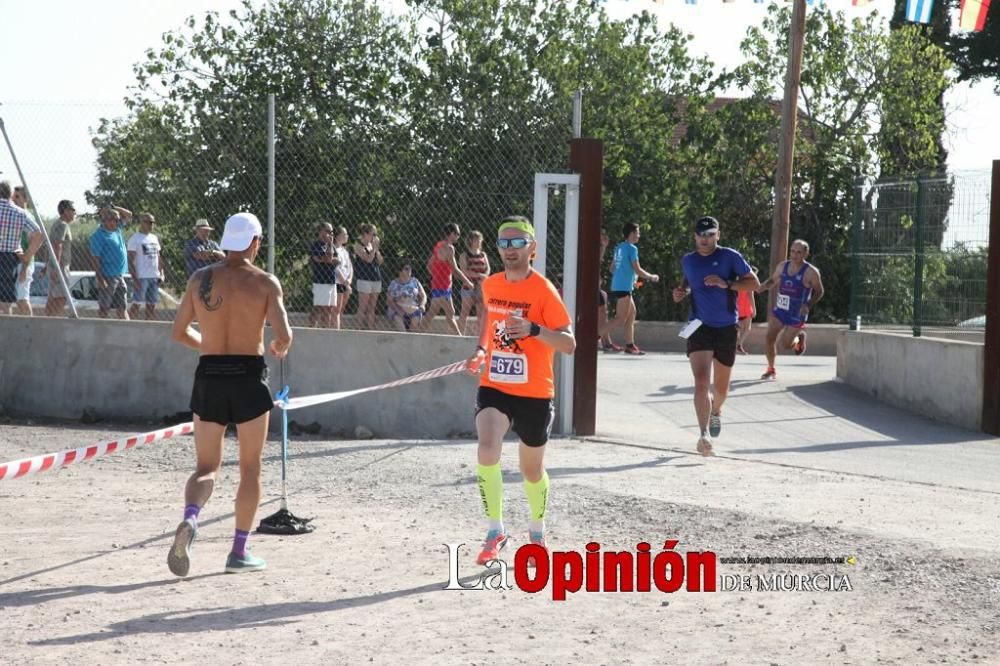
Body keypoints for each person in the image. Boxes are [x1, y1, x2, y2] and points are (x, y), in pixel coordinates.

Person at [168, 212, 293, 576]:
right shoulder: (265, 282)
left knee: (206, 468)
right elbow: (284, 334)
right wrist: (279, 347)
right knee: (250, 468)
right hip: (248, 378)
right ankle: (239, 551)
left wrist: (206, 344)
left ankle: (191, 518)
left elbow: (178, 332)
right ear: (255, 242)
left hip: (209, 375)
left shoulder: (199, 278)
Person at [465, 215, 576, 566]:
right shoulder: (491, 284)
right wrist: (482, 351)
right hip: (496, 384)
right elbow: (489, 318)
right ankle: (495, 530)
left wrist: (532, 329)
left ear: (532, 248)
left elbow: (569, 343)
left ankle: (537, 531)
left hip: (535, 392)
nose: (510, 250)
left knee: (531, 470)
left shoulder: (543, 290)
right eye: (504, 244)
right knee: (487, 446)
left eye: (517, 243)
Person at [672, 216, 759, 456]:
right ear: (695, 237)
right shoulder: (688, 260)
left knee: (720, 390)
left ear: (718, 235)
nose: (705, 239)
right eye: (701, 235)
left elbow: (753, 283)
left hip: (726, 328)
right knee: (701, 381)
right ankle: (703, 434)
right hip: (699, 326)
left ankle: (716, 411)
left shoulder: (730, 257)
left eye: (710, 234)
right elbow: (688, 282)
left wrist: (726, 283)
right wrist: (682, 292)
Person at [757, 239, 825, 380]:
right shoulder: (783, 266)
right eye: (792, 251)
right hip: (781, 309)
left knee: (785, 345)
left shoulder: (811, 272)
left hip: (797, 312)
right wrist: (762, 287)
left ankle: (798, 339)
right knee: (769, 337)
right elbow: (773, 280)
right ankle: (771, 369)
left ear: (805, 254)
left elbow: (819, 291)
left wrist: (808, 305)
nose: (794, 255)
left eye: (798, 252)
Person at [600, 222, 659, 355]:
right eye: (637, 232)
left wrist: (627, 277)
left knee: (631, 315)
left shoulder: (619, 247)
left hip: (619, 285)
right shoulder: (632, 249)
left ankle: (630, 345)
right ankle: (594, 335)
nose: (639, 235)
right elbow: (637, 268)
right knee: (620, 318)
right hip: (624, 287)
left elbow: (612, 268)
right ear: (631, 234)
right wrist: (651, 277)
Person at [0, 181, 43, 315]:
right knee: (6, 299)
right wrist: (26, 257)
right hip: (10, 258)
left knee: (18, 299)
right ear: (10, 194)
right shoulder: (20, 213)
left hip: (16, 261)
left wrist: (25, 263)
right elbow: (39, 234)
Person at [424, 223, 474, 335]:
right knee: (448, 314)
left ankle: (416, 334)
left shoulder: (438, 245)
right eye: (457, 234)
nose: (458, 236)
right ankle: (459, 337)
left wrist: (437, 275)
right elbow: (455, 269)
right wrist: (468, 282)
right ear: (451, 234)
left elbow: (429, 265)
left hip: (440, 285)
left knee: (442, 313)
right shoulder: (449, 248)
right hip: (443, 286)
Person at [89, 205, 133, 319]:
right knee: (104, 308)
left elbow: (129, 215)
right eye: (114, 220)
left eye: (118, 220)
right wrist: (100, 278)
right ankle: (101, 332)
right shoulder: (99, 235)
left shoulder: (117, 230)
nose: (117, 222)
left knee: (122, 307)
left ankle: (126, 331)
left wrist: (114, 207)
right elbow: (95, 258)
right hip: (107, 276)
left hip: (119, 275)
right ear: (106, 221)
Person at [127, 213, 164, 320]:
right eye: (148, 222)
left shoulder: (154, 238)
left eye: (152, 222)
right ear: (141, 223)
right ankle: (129, 326)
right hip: (141, 276)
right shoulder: (135, 239)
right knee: (137, 304)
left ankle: (149, 327)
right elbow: (130, 260)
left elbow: (158, 256)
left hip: (154, 276)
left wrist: (161, 273)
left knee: (151, 305)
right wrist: (135, 279)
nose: (151, 225)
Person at [46, 200, 76, 316]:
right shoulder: (63, 225)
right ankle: (53, 323)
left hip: (55, 266)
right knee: (61, 298)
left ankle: (47, 322)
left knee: (53, 297)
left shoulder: (57, 224)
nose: (75, 213)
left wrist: (46, 265)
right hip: (60, 267)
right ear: (65, 211)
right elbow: (57, 245)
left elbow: (49, 245)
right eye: (72, 210)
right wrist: (56, 267)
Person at [458, 230, 490, 336]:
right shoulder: (464, 255)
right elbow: (464, 271)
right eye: (477, 239)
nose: (479, 241)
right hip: (469, 287)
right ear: (470, 241)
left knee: (480, 313)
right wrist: (478, 276)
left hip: (481, 287)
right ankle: (460, 335)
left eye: (480, 239)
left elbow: (488, 269)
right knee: (465, 312)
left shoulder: (483, 254)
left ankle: (479, 337)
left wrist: (484, 276)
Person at [11, 187, 37, 316]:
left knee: (22, 299)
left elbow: (32, 244)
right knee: (9, 299)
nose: (14, 200)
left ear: (25, 199)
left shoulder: (27, 217)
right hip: (13, 262)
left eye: (17, 197)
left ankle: (31, 330)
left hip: (24, 263)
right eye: (13, 197)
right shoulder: (15, 214)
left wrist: (24, 269)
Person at [353, 223, 384, 329]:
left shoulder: (372, 245)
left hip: (375, 278)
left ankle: (370, 329)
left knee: (372, 307)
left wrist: (376, 250)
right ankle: (358, 328)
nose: (374, 237)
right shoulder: (358, 245)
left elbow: (380, 262)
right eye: (373, 234)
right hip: (364, 279)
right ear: (365, 234)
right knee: (363, 306)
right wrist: (374, 249)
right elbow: (368, 259)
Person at [309, 222, 339, 328]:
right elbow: (328, 258)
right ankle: (311, 329)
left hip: (331, 280)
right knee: (318, 307)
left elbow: (337, 260)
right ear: (321, 231)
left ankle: (325, 331)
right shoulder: (316, 245)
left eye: (332, 232)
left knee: (329, 308)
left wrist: (328, 259)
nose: (330, 234)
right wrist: (328, 257)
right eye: (328, 231)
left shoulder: (332, 245)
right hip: (320, 281)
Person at [386, 259, 427, 331]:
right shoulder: (394, 283)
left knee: (415, 320)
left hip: (412, 308)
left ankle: (410, 338)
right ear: (400, 271)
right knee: (401, 328)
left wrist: (422, 305)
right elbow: (389, 301)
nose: (409, 271)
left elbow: (423, 296)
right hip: (398, 309)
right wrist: (398, 310)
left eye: (410, 269)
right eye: (406, 269)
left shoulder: (415, 281)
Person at [598, 229, 622, 353]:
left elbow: (599, 261)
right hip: (590, 286)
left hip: (596, 287)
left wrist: (604, 246)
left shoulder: (598, 247)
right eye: (601, 234)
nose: (603, 237)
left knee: (603, 312)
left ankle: (606, 341)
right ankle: (604, 340)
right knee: (604, 313)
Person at [332, 226, 353, 330]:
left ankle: (337, 328)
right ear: (338, 236)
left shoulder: (344, 251)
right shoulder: (333, 249)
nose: (347, 236)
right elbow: (336, 269)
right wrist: (344, 282)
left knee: (341, 310)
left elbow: (350, 267)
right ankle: (336, 331)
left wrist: (349, 280)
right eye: (344, 234)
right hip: (338, 282)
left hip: (346, 283)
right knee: (336, 310)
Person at [736, 266, 758, 355]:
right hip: (746, 308)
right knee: (747, 328)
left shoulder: (738, 282)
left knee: (738, 328)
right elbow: (751, 296)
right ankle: (739, 345)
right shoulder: (750, 284)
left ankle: (737, 345)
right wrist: (754, 309)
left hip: (737, 307)